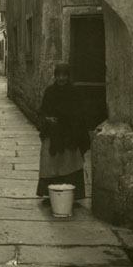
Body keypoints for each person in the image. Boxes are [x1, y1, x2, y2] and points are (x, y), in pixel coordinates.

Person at [36, 63, 90, 200]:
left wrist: (70, 122)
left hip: (69, 134)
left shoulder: (74, 92)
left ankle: (72, 193)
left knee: (70, 162)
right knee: (50, 162)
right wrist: (47, 119)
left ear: (68, 76)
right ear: (55, 76)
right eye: (58, 75)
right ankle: (51, 192)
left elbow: (81, 114)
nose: (61, 78)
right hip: (53, 133)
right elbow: (42, 110)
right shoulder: (50, 91)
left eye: (64, 75)